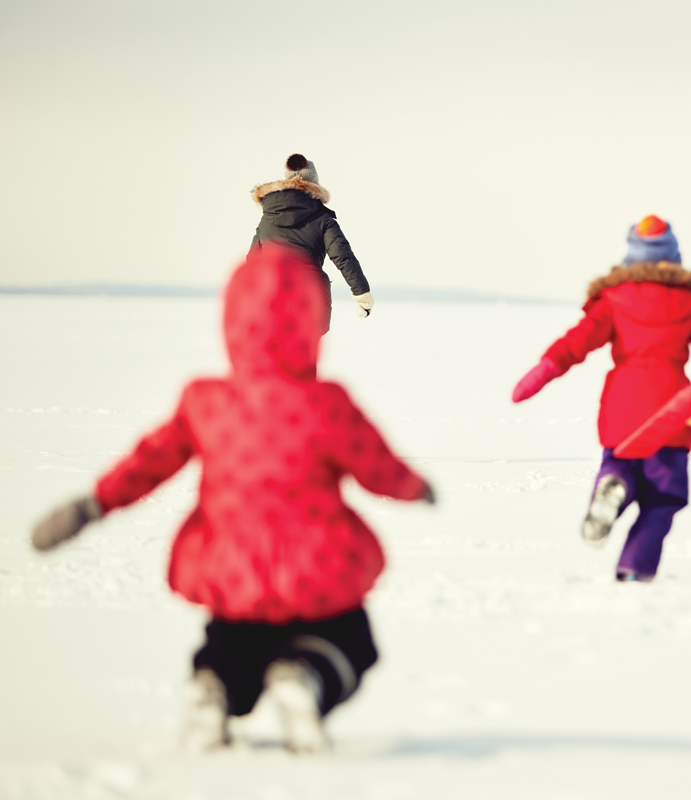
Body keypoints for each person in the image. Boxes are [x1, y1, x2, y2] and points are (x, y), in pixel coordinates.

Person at [29, 243, 434, 752]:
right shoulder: (324, 404)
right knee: (352, 640)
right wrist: (414, 487)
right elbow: (373, 463)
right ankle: (305, 674)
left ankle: (212, 689)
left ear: (232, 323)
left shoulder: (207, 402)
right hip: (316, 563)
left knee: (233, 643)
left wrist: (94, 505)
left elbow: (150, 461)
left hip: (232, 563)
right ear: (311, 324)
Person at [512, 215, 691, 582]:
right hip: (671, 411)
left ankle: (614, 481)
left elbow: (578, 340)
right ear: (673, 257)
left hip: (622, 410)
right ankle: (635, 568)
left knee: (622, 463)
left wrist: (547, 367)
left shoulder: (614, 300)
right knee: (662, 498)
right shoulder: (689, 304)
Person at [251, 154, 374, 332]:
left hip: (274, 298)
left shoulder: (266, 220)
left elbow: (252, 262)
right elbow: (343, 257)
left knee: (279, 345)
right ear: (314, 184)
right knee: (306, 346)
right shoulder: (323, 219)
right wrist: (362, 294)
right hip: (310, 297)